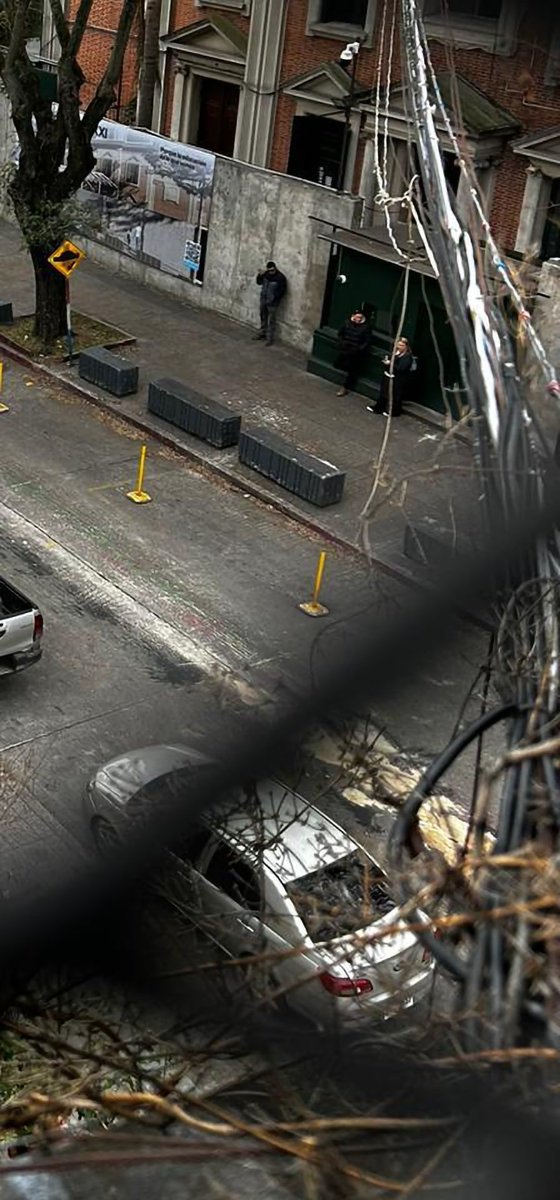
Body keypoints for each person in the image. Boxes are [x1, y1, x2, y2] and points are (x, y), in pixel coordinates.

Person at [367, 336, 414, 417]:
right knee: (384, 392)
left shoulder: (407, 357)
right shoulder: (395, 352)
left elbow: (401, 368)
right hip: (388, 375)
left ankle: (394, 412)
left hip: (398, 379)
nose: (399, 347)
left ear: (406, 346)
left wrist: (390, 364)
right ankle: (379, 407)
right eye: (398, 345)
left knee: (395, 395)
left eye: (402, 345)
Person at [334, 310, 372, 397]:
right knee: (339, 364)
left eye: (360, 318)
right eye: (357, 317)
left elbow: (367, 341)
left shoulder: (365, 328)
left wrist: (358, 349)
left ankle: (345, 387)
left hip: (355, 353)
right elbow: (340, 334)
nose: (358, 319)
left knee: (352, 371)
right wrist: (342, 342)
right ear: (353, 316)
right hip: (345, 349)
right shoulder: (347, 323)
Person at [254, 261, 287, 346]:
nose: (271, 272)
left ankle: (270, 338)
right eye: (270, 271)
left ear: (275, 268)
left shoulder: (280, 278)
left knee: (271, 320)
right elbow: (258, 282)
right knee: (263, 317)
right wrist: (260, 275)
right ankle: (262, 333)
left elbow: (282, 291)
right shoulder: (266, 275)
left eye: (273, 270)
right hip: (264, 299)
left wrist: (275, 299)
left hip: (272, 303)